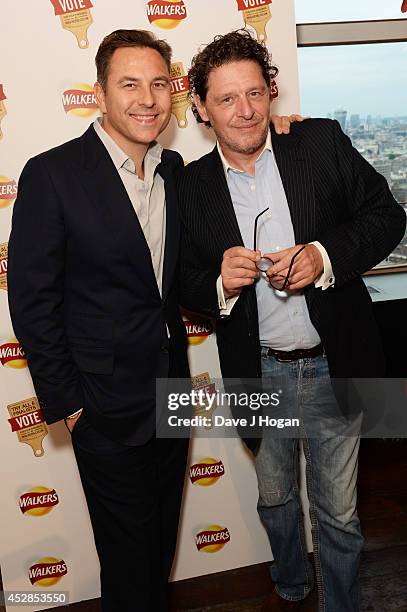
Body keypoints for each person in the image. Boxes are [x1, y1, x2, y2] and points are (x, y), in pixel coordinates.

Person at [7, 28, 295, 612]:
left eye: (160, 83)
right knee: (128, 557)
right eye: (129, 84)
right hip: (102, 407)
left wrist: (219, 280)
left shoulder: (172, 170)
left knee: (159, 547)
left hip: (170, 395)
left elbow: (178, 281)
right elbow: (32, 302)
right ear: (99, 93)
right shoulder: (54, 174)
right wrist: (72, 405)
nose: (147, 98)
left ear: (174, 92)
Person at [177, 30, 406, 612]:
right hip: (258, 372)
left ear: (271, 92)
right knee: (276, 497)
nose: (246, 110)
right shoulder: (186, 183)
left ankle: (342, 605)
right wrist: (215, 283)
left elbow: (387, 216)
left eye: (255, 93)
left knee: (339, 510)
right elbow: (173, 276)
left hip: (337, 363)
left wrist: (324, 255)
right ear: (201, 107)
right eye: (226, 99)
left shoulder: (318, 142)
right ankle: (289, 582)